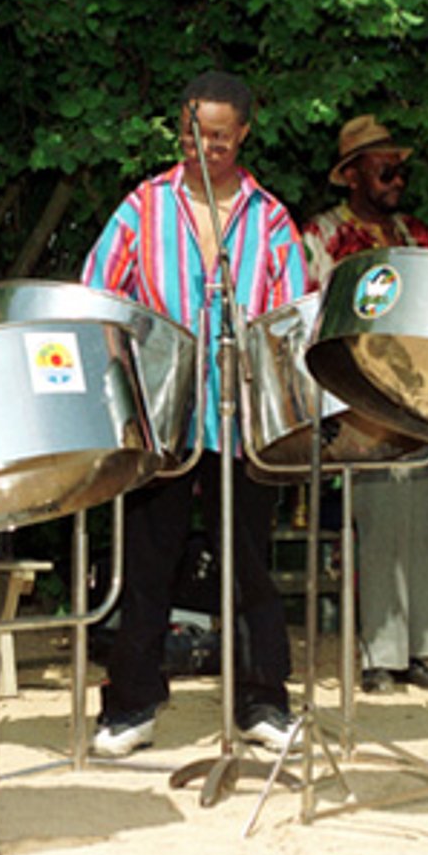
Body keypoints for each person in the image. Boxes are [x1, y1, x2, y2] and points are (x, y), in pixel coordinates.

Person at [80, 71, 309, 758]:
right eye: (191, 134)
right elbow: (96, 292)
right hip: (164, 416)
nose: (203, 148)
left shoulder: (270, 218)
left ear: (243, 133)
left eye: (218, 137)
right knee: (149, 562)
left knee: (249, 562)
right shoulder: (143, 206)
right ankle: (132, 704)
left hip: (242, 419)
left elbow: (290, 318)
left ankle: (261, 699)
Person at [301, 115, 428, 696]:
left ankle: (418, 649)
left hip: (418, 397)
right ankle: (377, 654)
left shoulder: (417, 235)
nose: (397, 178)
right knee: (375, 525)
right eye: (384, 169)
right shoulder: (323, 235)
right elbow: (310, 317)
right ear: (352, 175)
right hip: (359, 398)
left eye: (399, 169)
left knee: (419, 526)